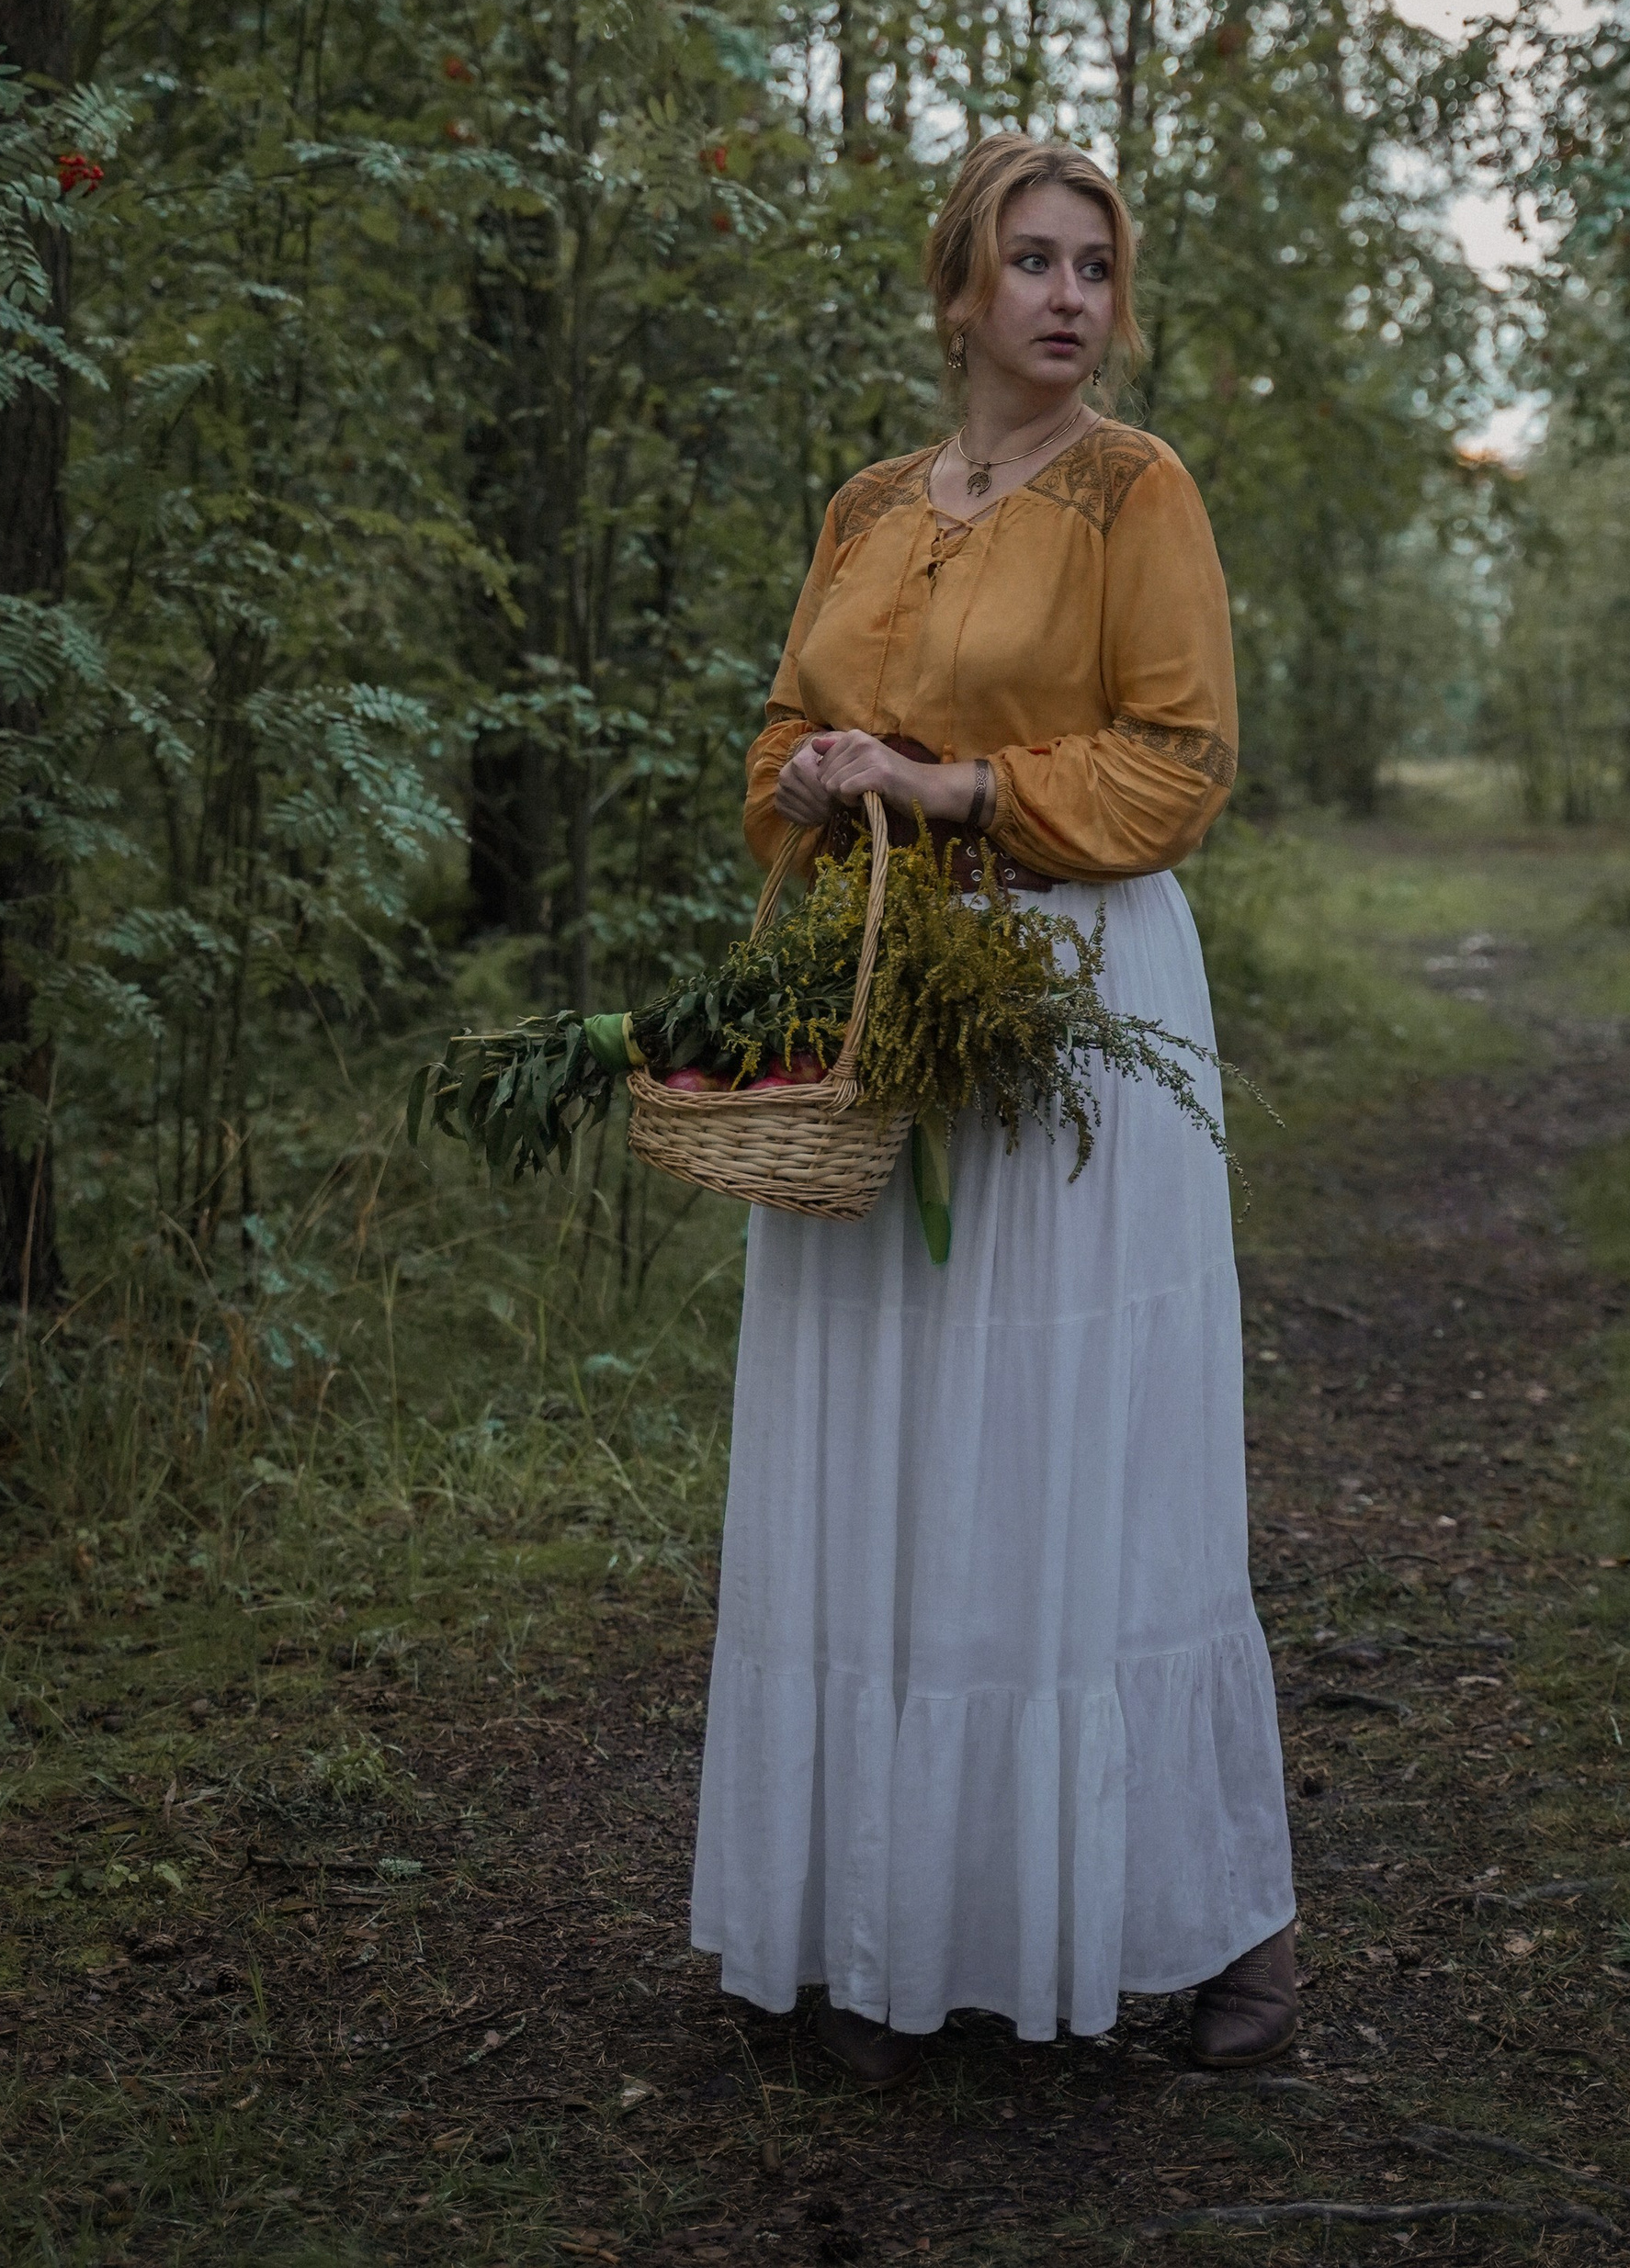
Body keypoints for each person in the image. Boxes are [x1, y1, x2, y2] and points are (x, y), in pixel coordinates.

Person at [687, 132, 1296, 2084]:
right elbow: (779, 735)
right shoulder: (869, 505)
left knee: (1052, 1452)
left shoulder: (1135, 488)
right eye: (1030, 261)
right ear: (956, 289)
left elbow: (1180, 762)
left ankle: (1201, 1924)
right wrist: (811, 777)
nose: (1066, 297)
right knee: (878, 1438)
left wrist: (956, 788)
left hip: (1073, 1005)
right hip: (883, 991)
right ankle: (870, 1928)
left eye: (1093, 267)